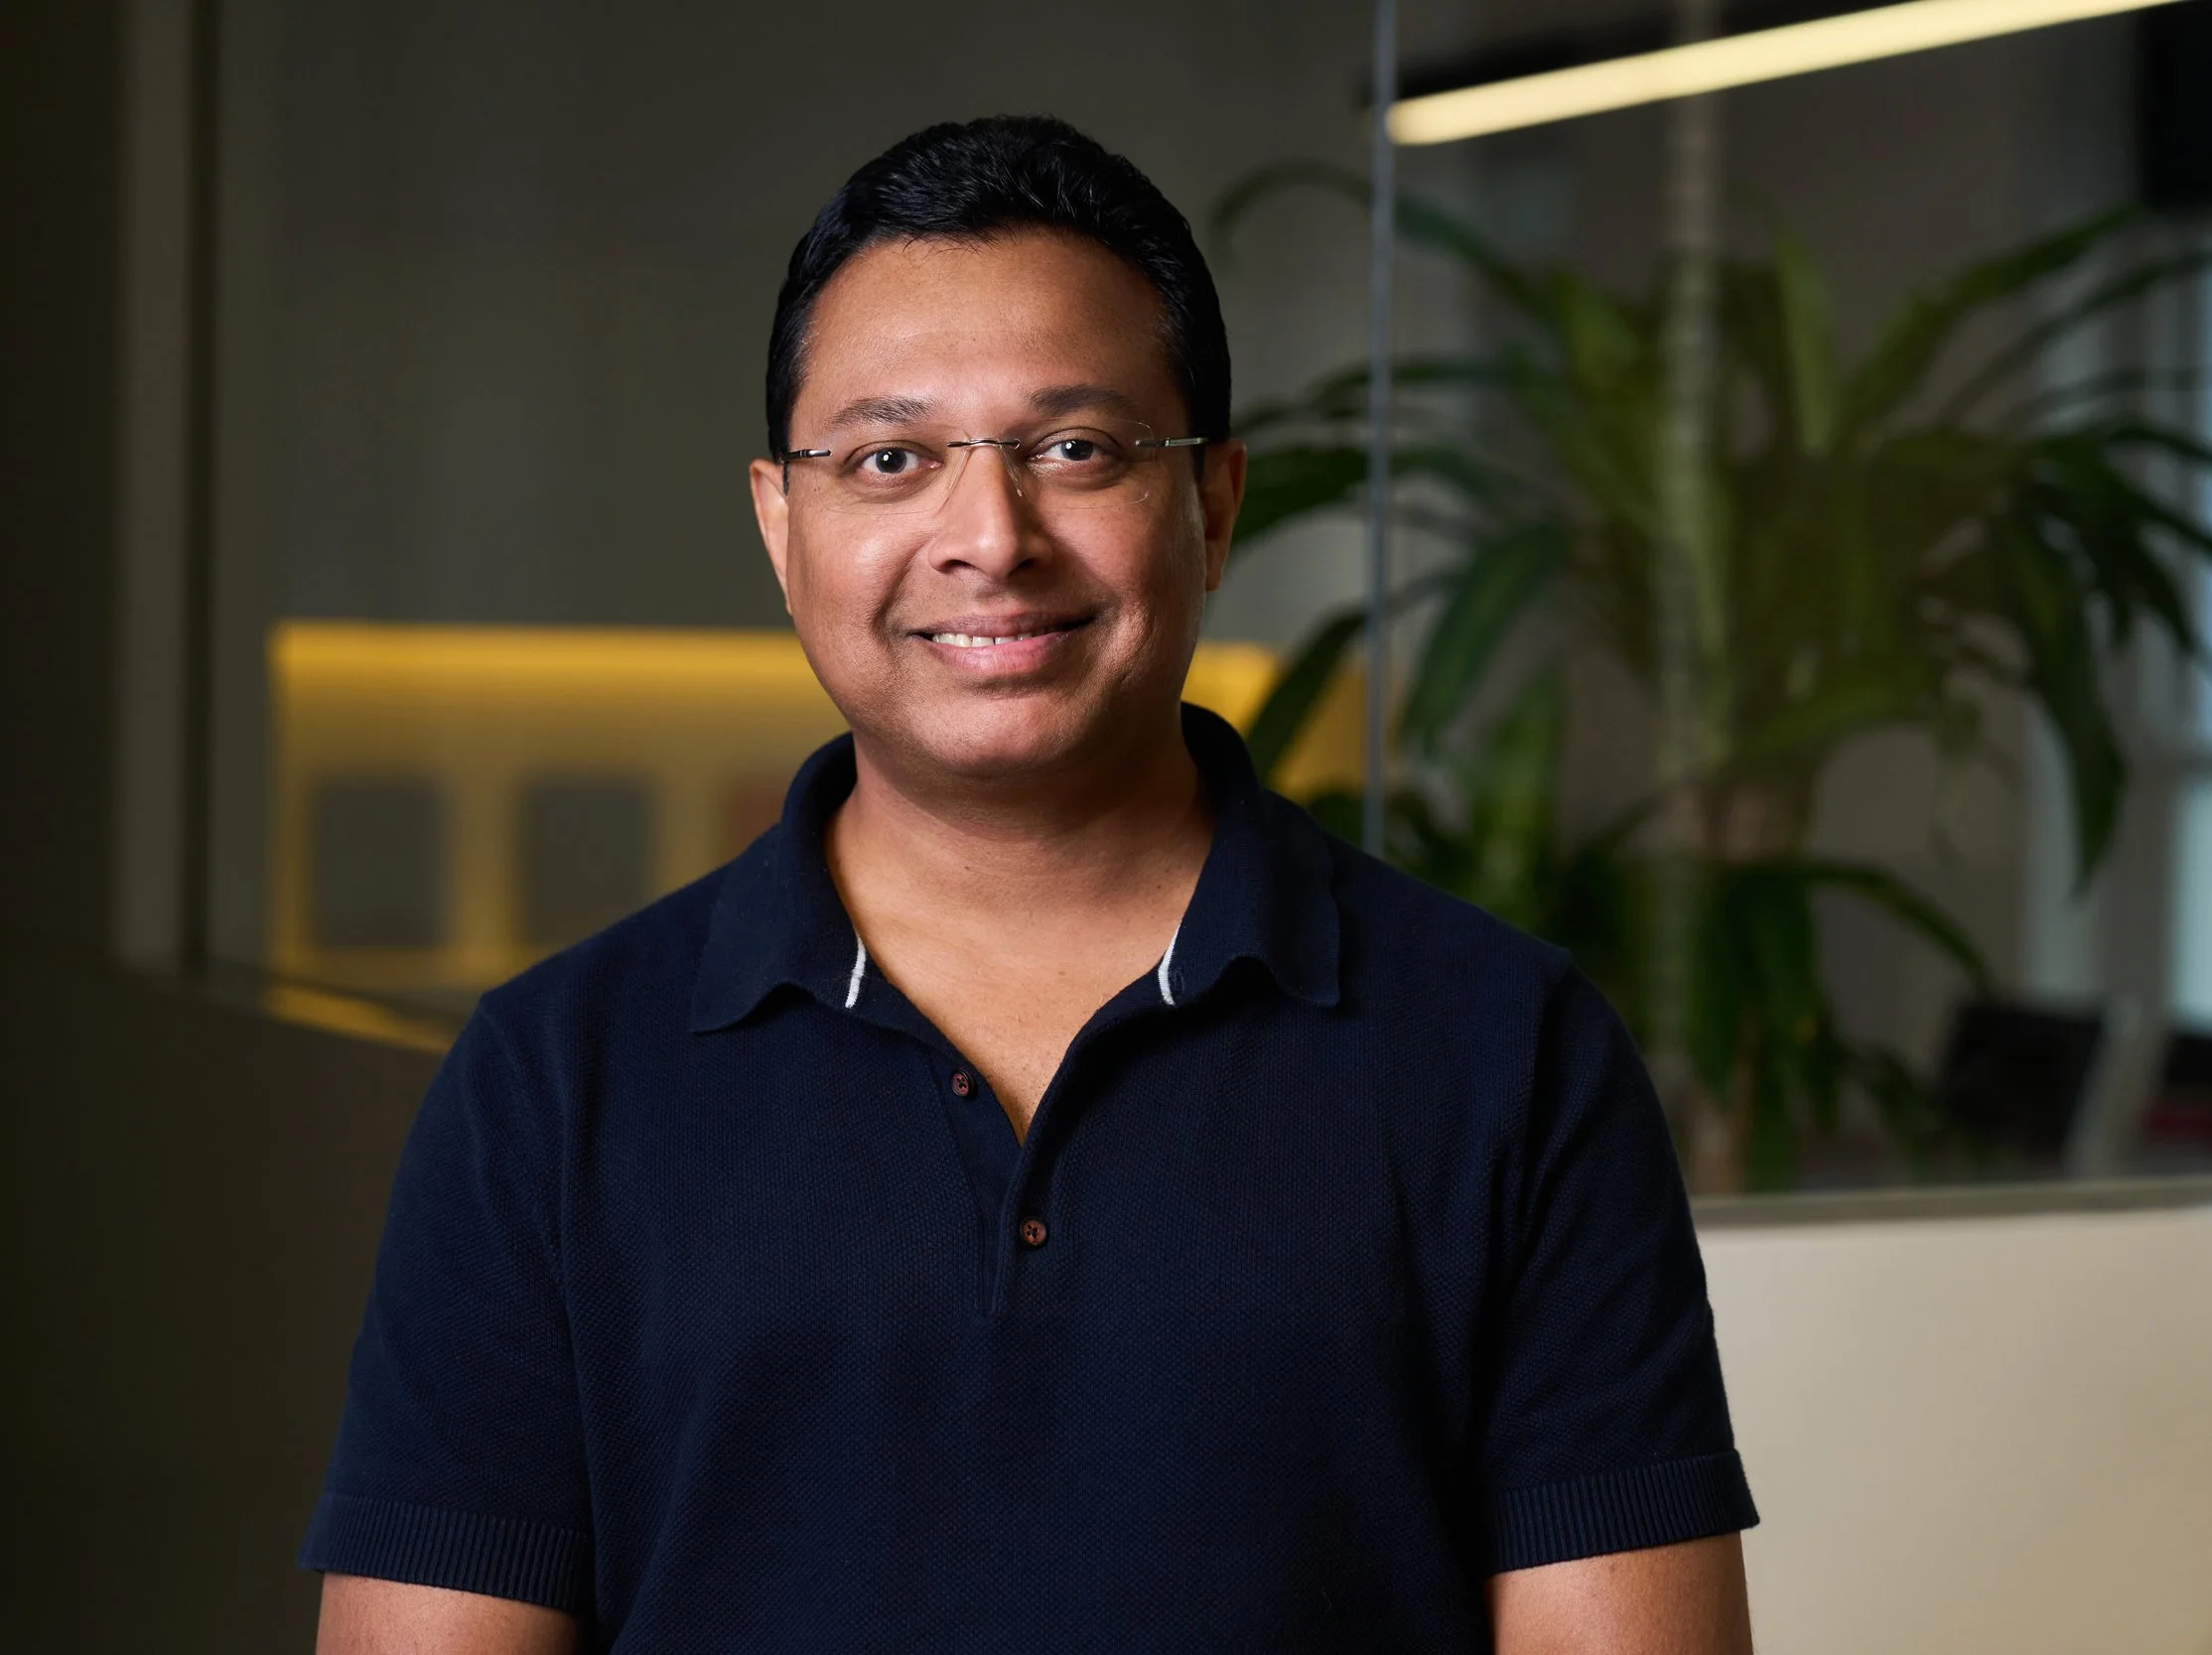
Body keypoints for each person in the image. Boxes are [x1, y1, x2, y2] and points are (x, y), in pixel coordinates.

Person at [302, 115, 1758, 1654]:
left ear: (1211, 502)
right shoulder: (552, 1079)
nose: (989, 538)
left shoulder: (1505, 1050)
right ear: (780, 521)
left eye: (1078, 448)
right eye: (888, 459)